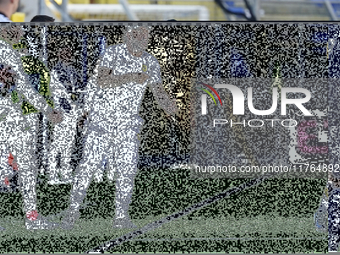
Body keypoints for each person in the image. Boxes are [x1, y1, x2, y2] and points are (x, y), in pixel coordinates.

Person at [61, 25, 178, 229]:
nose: (142, 38)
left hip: (127, 123)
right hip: (102, 120)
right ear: (128, 35)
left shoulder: (150, 61)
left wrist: (171, 108)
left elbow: (159, 92)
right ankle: (71, 213)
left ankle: (121, 217)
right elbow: (101, 79)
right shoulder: (113, 53)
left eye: (145, 35)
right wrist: (130, 77)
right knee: (88, 166)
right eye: (137, 34)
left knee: (127, 169)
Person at [0, 24, 63, 230]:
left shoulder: (8, 51)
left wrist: (47, 110)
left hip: (13, 118)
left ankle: (32, 217)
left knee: (27, 167)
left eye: (17, 27)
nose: (16, 31)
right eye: (10, 26)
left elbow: (25, 87)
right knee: (9, 170)